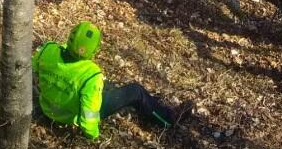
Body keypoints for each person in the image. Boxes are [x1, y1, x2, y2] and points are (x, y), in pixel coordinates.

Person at [33, 21, 183, 139]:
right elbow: (89, 113)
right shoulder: (91, 74)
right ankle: (168, 119)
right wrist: (92, 135)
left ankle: (151, 103)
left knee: (107, 87)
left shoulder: (48, 49)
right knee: (136, 91)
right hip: (69, 118)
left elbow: (31, 70)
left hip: (47, 108)